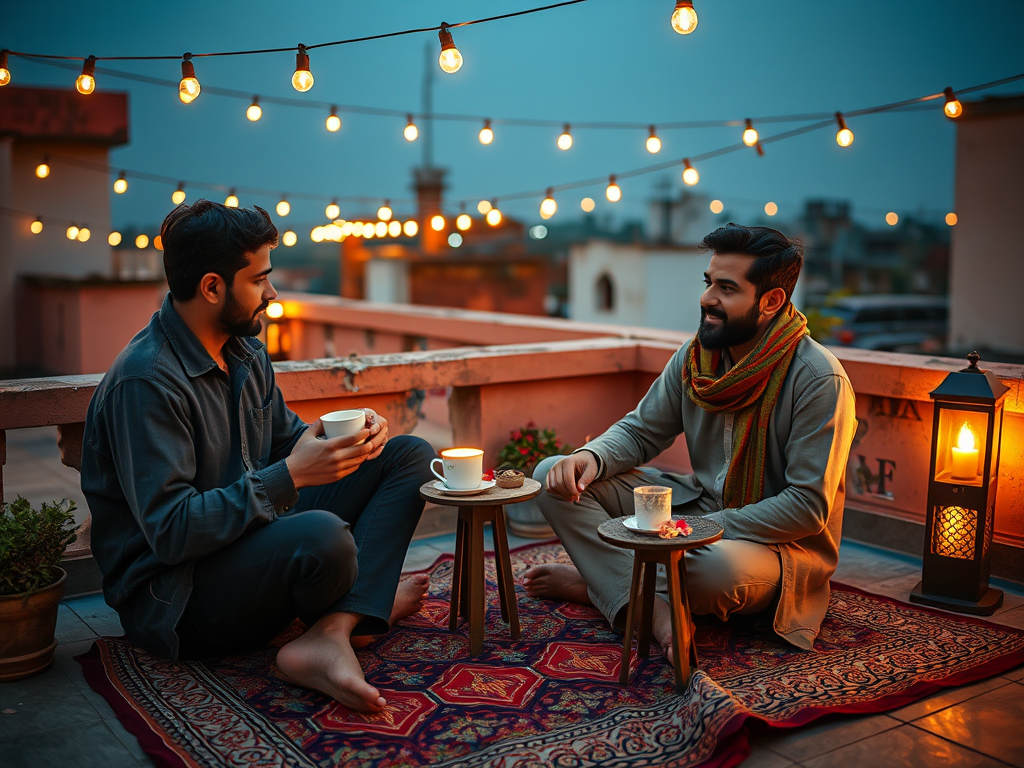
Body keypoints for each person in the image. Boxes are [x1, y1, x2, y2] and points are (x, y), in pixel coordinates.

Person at [81, 200, 435, 712]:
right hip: (179, 598)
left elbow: (285, 442)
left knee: (407, 455)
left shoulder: (243, 348)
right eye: (260, 279)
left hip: (246, 540)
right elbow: (172, 531)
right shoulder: (147, 382)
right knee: (324, 540)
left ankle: (338, 625)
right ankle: (362, 604)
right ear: (211, 287)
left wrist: (344, 437)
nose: (272, 294)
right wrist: (290, 475)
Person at [523, 223, 857, 655]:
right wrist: (591, 456)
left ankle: (599, 585)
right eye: (708, 283)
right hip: (696, 503)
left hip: (776, 547)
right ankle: (645, 604)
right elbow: (642, 430)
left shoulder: (817, 379)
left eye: (726, 288)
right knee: (554, 476)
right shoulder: (696, 357)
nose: (707, 298)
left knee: (709, 571)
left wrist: (692, 531)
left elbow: (806, 508)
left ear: (771, 300)